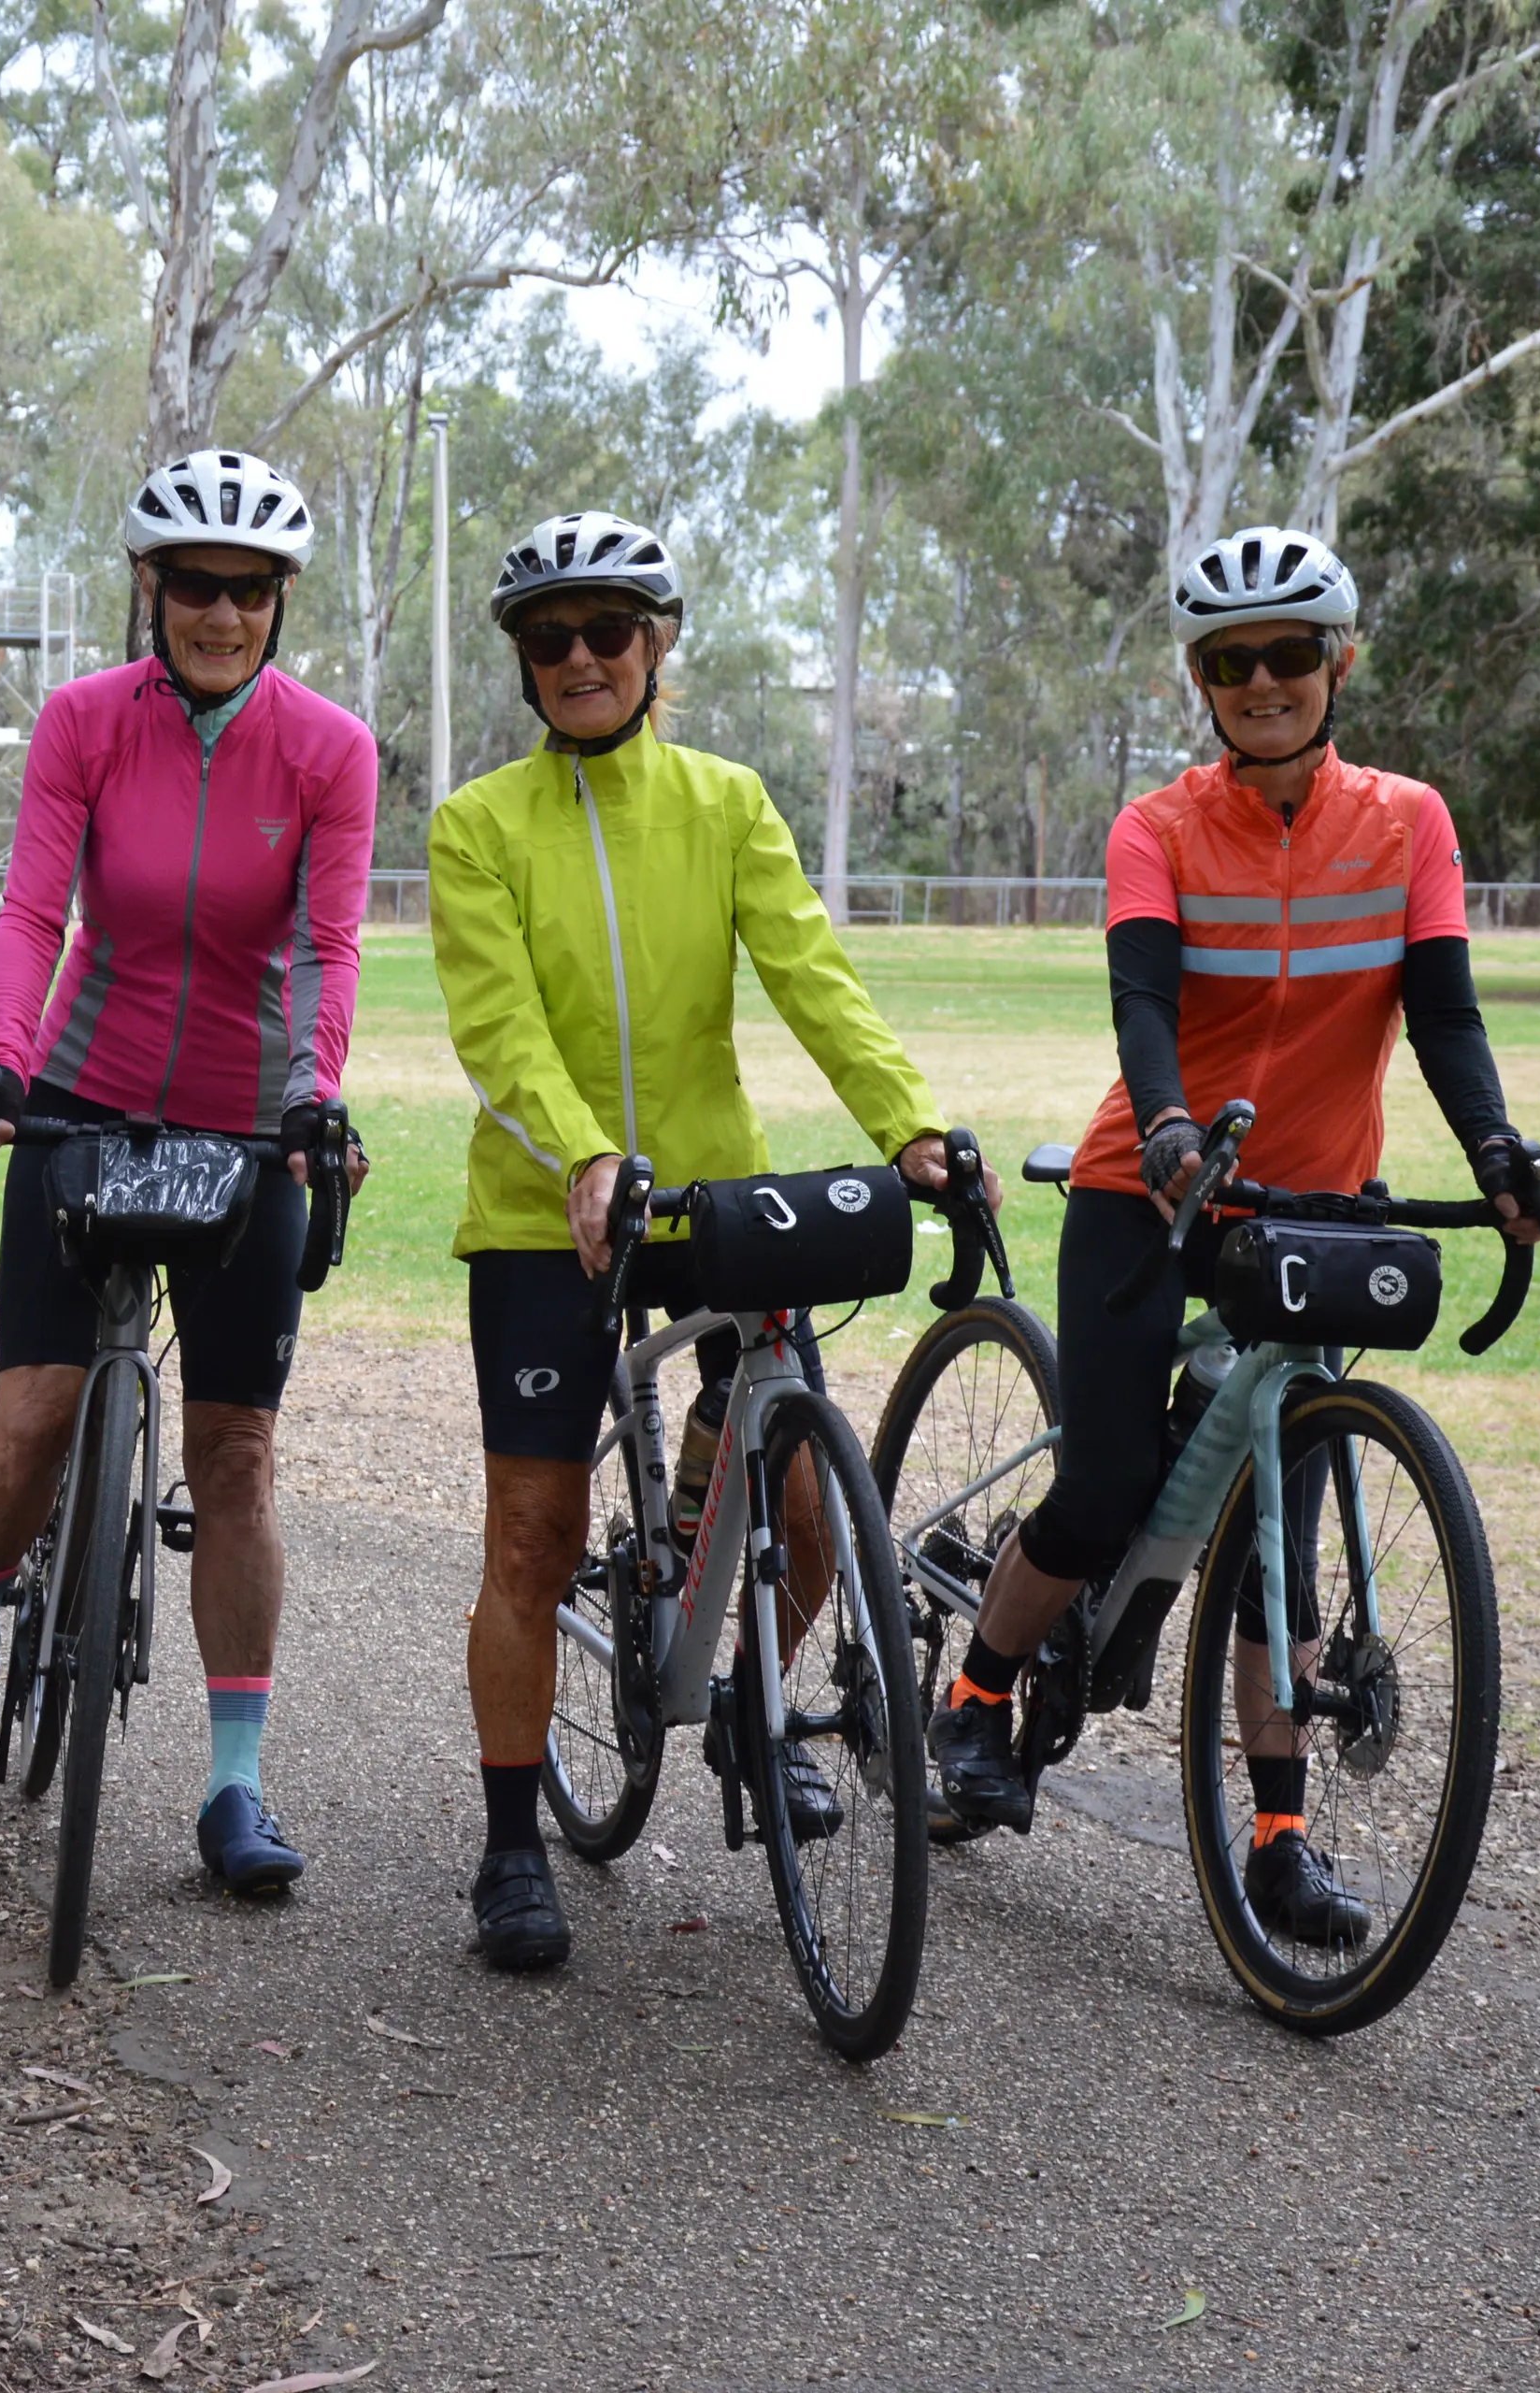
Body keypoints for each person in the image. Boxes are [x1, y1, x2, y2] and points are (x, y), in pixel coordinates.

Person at [925, 525, 1540, 1945]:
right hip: (1145, 1194)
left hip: (1313, 1208)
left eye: (1290, 653)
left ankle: (1278, 1840)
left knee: (1279, 1521)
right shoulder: (1158, 829)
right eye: (1233, 660)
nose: (1264, 680)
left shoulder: (1409, 822)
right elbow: (1143, 1003)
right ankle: (973, 1700)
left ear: (1341, 661)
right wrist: (1164, 1128)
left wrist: (1499, 1152)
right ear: (1203, 680)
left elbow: (1447, 1017)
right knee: (1106, 1485)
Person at [429, 509, 979, 1972]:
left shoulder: (727, 802)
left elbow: (812, 971)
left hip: (711, 1206)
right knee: (535, 1542)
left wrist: (910, 1128)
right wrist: (584, 1152)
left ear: (658, 645)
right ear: (526, 664)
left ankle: (752, 1706)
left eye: (610, 631)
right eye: (552, 638)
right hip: (546, 1212)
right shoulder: (478, 826)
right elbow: (497, 1028)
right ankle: (507, 1843)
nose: (582, 658)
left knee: (802, 1512)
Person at [0, 450, 378, 1896]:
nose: (221, 616)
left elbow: (325, 946)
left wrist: (314, 1096)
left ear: (280, 600)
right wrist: (0, 1062)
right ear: (151, 588)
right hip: (86, 1097)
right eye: (196, 588)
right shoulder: (80, 725)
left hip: (250, 1125)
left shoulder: (329, 752)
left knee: (235, 1457)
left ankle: (235, 1786)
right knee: (39, 1407)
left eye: (248, 593)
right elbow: (33, 906)